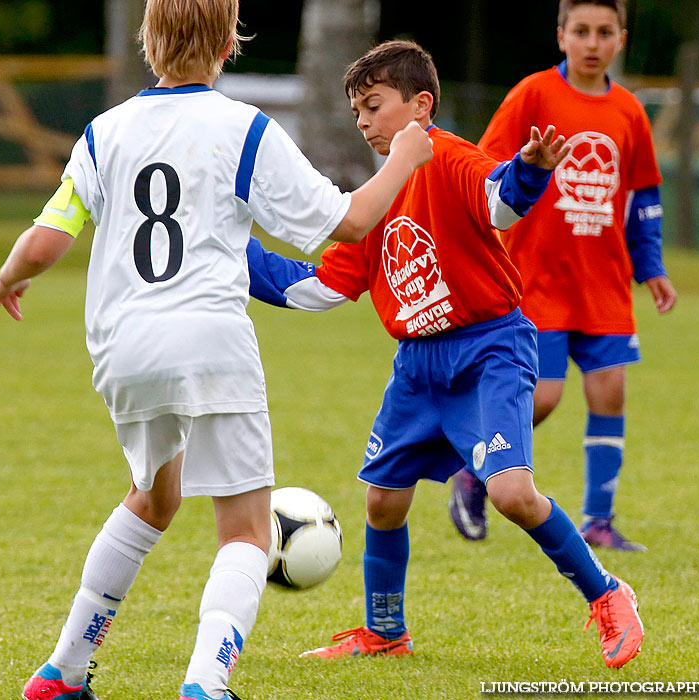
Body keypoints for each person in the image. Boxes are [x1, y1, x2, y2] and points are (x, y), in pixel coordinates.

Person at [0, 2, 433, 699]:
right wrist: (404, 154)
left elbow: (51, 233)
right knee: (249, 530)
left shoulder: (105, 133)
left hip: (123, 347)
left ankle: (61, 672)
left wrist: (10, 278)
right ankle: (205, 683)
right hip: (209, 340)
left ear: (147, 40)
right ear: (229, 44)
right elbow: (351, 221)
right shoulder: (244, 128)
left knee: (153, 498)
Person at [243, 39, 644, 669]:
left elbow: (500, 203)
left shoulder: (453, 158)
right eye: (357, 113)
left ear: (420, 105)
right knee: (383, 499)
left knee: (512, 495)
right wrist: (229, 256)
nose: (365, 122)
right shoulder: (373, 199)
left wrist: (532, 170)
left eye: (374, 106)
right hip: (418, 365)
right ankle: (385, 631)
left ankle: (608, 593)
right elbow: (322, 288)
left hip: (490, 350)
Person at [448, 0, 677, 551]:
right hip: (538, 280)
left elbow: (643, 198)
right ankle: (474, 472)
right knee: (543, 397)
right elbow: (485, 164)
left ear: (620, 40)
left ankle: (598, 520)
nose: (592, 42)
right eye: (581, 31)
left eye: (604, 32)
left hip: (603, 284)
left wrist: (652, 268)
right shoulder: (533, 95)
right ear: (561, 37)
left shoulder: (629, 112)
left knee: (610, 392)